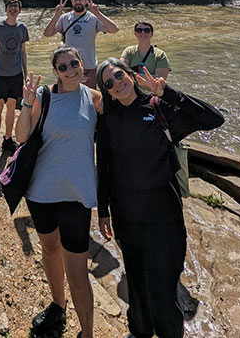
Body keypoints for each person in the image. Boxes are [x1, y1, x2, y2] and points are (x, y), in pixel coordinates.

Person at [96, 58, 224, 338]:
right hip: (126, 213)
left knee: (163, 284)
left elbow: (214, 119)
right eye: (109, 83)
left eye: (119, 75)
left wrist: (167, 92)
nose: (117, 83)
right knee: (137, 281)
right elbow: (104, 166)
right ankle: (139, 330)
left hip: (163, 212)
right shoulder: (107, 119)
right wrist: (102, 209)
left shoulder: (159, 108)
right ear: (107, 91)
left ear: (130, 74)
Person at [15, 46, 102, 338]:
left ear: (83, 64)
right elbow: (21, 136)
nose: (70, 70)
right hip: (41, 192)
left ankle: (87, 333)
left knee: (78, 273)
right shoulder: (44, 96)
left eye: (74, 63)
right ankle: (57, 304)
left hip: (77, 196)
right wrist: (27, 103)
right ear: (56, 72)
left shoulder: (95, 98)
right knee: (50, 249)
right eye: (63, 67)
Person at [43, 0, 118, 89]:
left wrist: (97, 13)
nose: (78, 2)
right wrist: (57, 14)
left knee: (90, 97)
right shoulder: (64, 18)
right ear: (72, 1)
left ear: (85, 1)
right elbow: (47, 34)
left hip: (88, 66)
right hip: (68, 67)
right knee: (67, 96)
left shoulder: (93, 18)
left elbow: (114, 29)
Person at [0, 0, 29, 161]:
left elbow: (23, 52)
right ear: (6, 9)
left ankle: (7, 139)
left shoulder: (22, 28)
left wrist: (26, 75)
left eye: (16, 6)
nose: (13, 9)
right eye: (10, 6)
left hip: (16, 74)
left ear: (19, 10)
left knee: (12, 106)